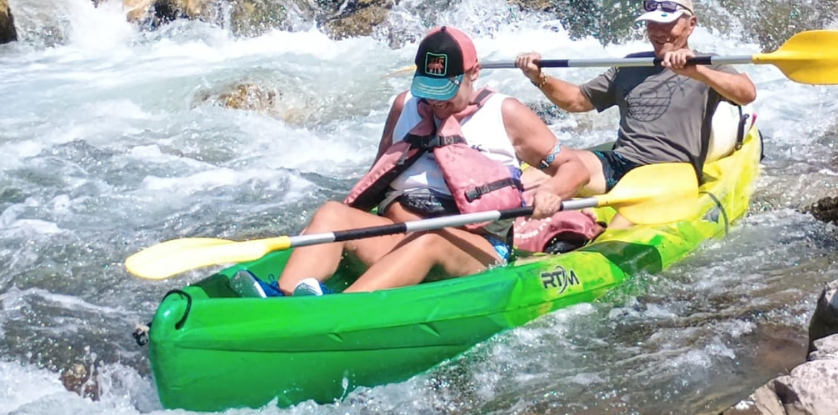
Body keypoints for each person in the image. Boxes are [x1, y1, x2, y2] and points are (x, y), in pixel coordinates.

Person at [231, 26, 589, 297]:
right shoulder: (405, 106)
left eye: (445, 92)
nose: (435, 103)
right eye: (429, 91)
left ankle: (338, 309)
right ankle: (283, 299)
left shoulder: (505, 112)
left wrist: (553, 192)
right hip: (396, 239)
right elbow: (379, 173)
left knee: (431, 235)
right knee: (332, 213)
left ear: (474, 72)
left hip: (473, 250)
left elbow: (574, 167)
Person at [514, 0, 757, 227]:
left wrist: (699, 72)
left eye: (667, 24)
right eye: (652, 23)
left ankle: (599, 232)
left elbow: (747, 93)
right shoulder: (631, 65)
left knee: (620, 230)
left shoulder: (708, 64)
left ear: (691, 24)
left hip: (670, 173)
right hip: (622, 160)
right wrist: (538, 77)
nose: (658, 32)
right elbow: (577, 100)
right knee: (539, 173)